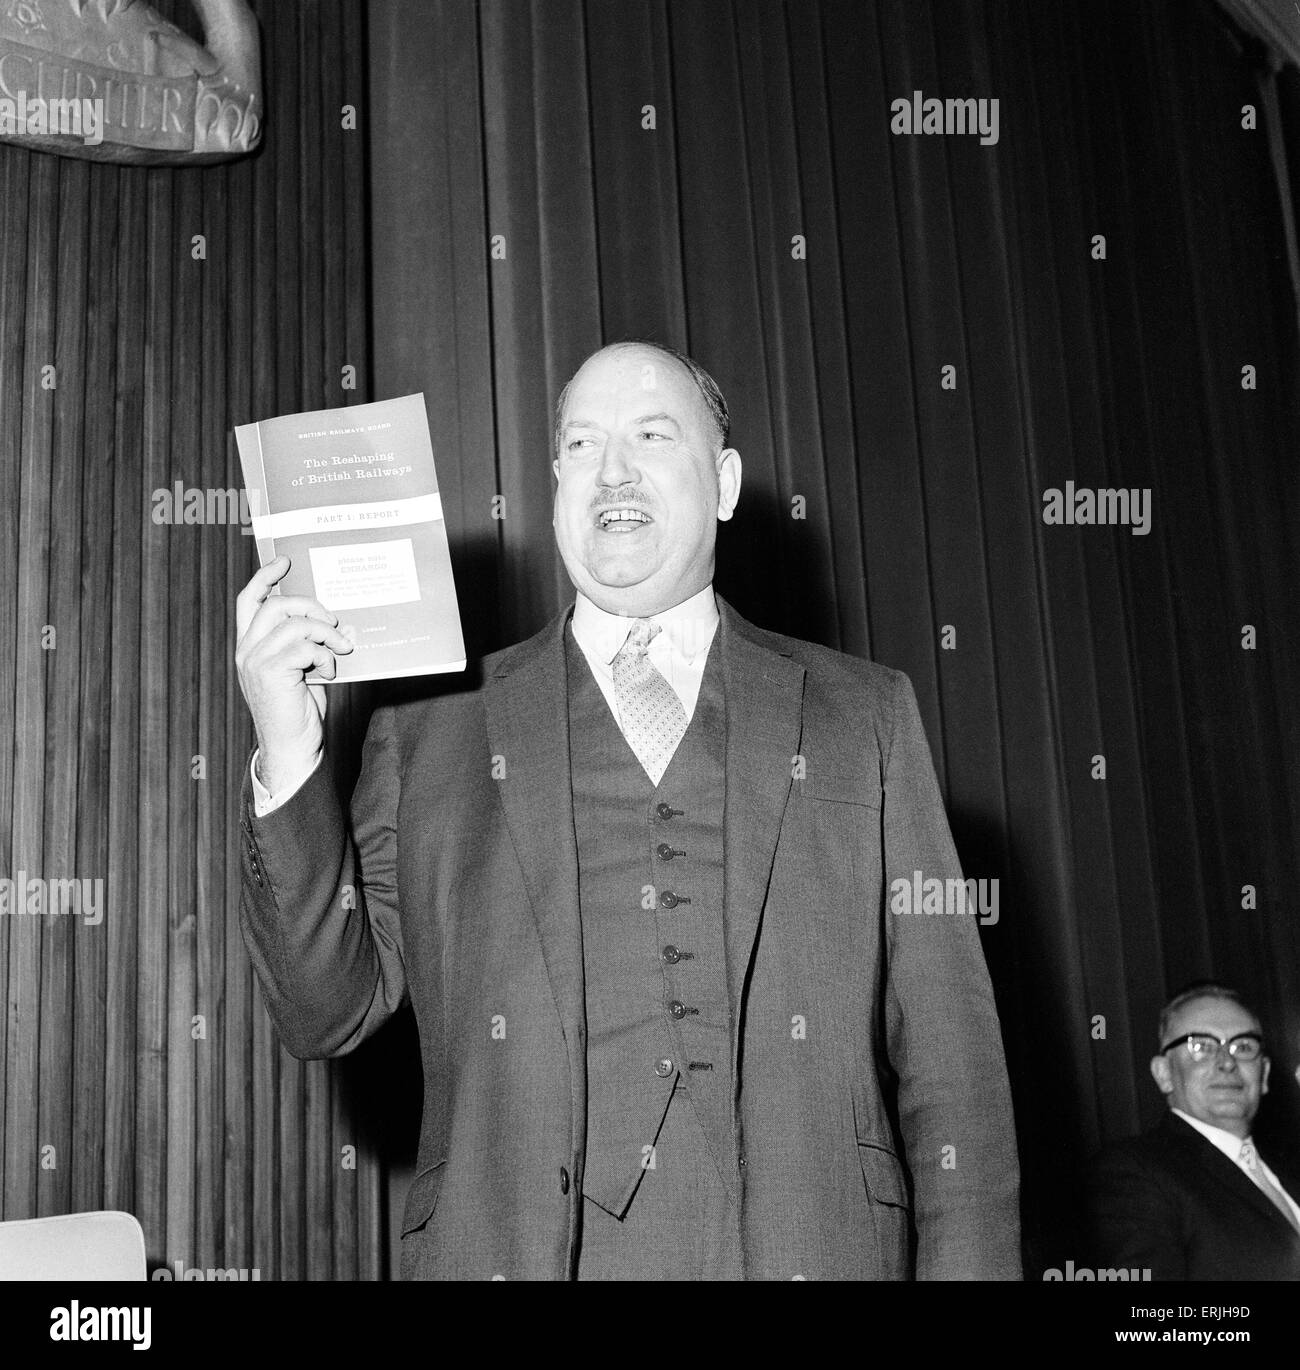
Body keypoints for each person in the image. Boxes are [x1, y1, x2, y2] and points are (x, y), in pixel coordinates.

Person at [234, 339, 1020, 1280]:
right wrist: (288, 746)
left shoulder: (866, 715)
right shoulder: (430, 732)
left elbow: (955, 1066)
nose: (612, 469)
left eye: (652, 435)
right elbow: (326, 1013)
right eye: (580, 444)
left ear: (724, 482)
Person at [1086, 983, 1300, 1280]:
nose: (1227, 1062)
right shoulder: (1136, 1171)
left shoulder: (1288, 1168)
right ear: (1164, 1075)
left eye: (1244, 1047)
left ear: (1263, 1075)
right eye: (1201, 1046)